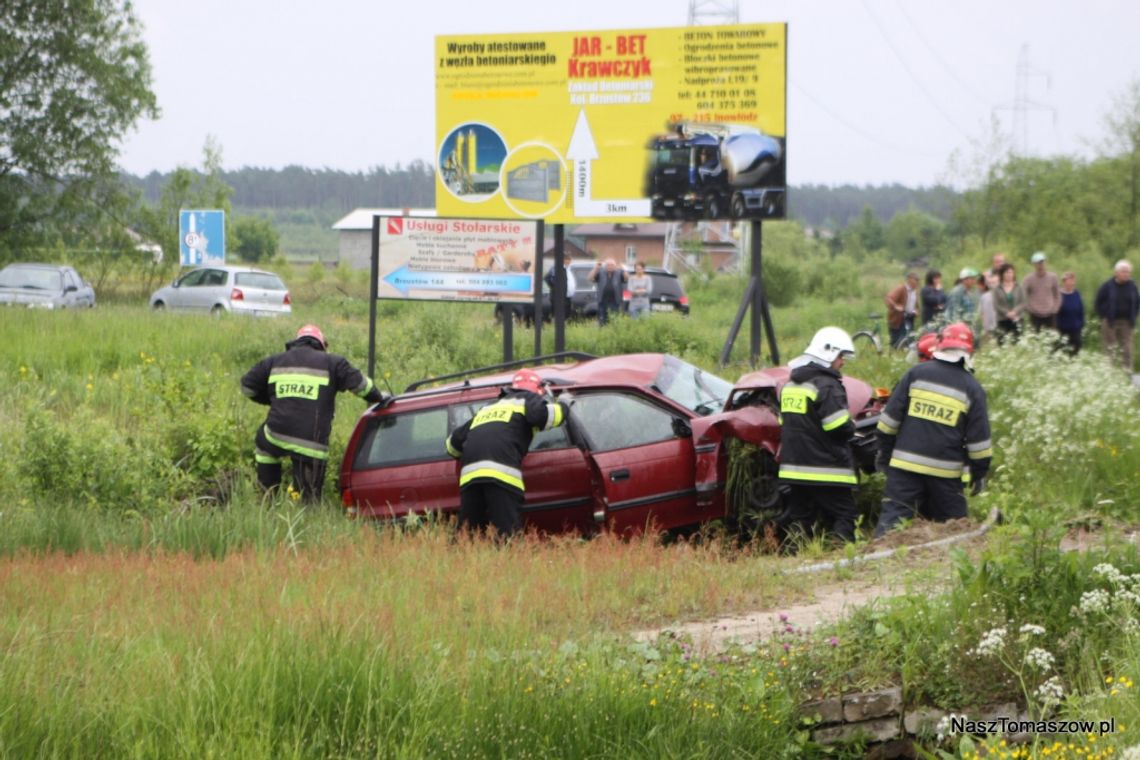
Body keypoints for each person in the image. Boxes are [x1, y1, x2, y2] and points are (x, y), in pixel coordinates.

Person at [241, 324, 386, 502]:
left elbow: (247, 387)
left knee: (264, 444)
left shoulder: (274, 361)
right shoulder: (334, 363)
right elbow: (362, 387)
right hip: (312, 444)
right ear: (322, 344)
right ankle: (308, 512)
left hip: (276, 434)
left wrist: (274, 399)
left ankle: (268, 496)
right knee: (309, 499)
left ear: (297, 341)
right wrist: (379, 397)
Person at [873, 322, 992, 538]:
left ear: (941, 345)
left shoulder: (916, 374)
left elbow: (887, 423)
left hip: (904, 470)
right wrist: (979, 474)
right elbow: (979, 445)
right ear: (968, 352)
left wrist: (885, 454)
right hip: (946, 476)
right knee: (955, 532)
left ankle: (872, 566)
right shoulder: (972, 388)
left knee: (890, 528)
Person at [445, 369, 569, 537]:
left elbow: (452, 445)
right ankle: (508, 561)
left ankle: (460, 561)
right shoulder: (527, 398)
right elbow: (543, 416)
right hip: (501, 475)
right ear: (537, 391)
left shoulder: (487, 408)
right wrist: (563, 404)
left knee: (467, 536)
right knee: (507, 536)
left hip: (470, 478)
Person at [775, 327, 860, 544]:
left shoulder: (790, 385)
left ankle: (796, 557)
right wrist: (852, 427)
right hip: (826, 469)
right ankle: (844, 558)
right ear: (829, 353)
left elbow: (784, 423)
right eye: (841, 356)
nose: (842, 362)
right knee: (844, 514)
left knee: (801, 517)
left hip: (794, 468)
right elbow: (838, 427)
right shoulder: (828, 385)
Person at [1094, 259, 1139, 371]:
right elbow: (1098, 302)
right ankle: (1109, 376)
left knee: (1127, 350)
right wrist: (1104, 315)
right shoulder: (1107, 286)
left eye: (1128, 272)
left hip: (1127, 322)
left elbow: (1137, 302)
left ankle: (1127, 375)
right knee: (1110, 349)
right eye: (1124, 271)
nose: (1126, 274)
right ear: (1116, 273)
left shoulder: (1132, 286)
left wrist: (1134, 316)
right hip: (1110, 321)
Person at [1022, 251, 1061, 332]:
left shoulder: (1053, 277)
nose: (1040, 265)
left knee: (1051, 339)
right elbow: (1022, 296)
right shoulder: (1028, 279)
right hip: (1035, 315)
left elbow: (1057, 295)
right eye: (1038, 263)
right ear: (1034, 264)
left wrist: (1055, 309)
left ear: (1046, 263)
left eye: (1042, 262)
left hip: (1050, 314)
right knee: (1035, 340)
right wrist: (1028, 309)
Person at [993, 263, 1026, 344]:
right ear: (1002, 274)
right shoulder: (997, 289)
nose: (1009, 275)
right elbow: (996, 305)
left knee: (1018, 343)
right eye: (1006, 272)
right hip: (1002, 319)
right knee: (1002, 343)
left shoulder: (1019, 287)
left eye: (1011, 272)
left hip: (1017, 319)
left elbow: (1023, 302)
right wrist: (1006, 313)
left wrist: (1015, 311)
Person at [885, 272, 920, 348]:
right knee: (896, 340)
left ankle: (902, 355)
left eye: (917, 281)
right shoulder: (901, 289)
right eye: (915, 280)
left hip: (909, 318)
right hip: (898, 318)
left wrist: (916, 311)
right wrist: (895, 306)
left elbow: (916, 305)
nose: (916, 283)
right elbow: (888, 298)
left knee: (908, 339)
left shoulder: (915, 291)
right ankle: (893, 355)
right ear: (909, 280)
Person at [590, 258, 628, 326]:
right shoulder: (601, 272)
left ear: (615, 266)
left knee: (614, 320)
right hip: (602, 301)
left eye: (612, 265)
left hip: (615, 301)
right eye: (608, 265)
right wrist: (595, 268)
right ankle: (603, 334)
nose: (610, 266)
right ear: (605, 266)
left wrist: (623, 269)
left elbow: (627, 278)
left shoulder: (619, 273)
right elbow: (590, 278)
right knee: (602, 320)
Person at [1056, 271, 1085, 355]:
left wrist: (1081, 323)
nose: (1069, 283)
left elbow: (1081, 310)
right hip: (1062, 329)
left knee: (1076, 348)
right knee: (1061, 350)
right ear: (1063, 282)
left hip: (1075, 328)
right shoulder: (1059, 294)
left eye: (1071, 281)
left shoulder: (1077, 293)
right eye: (1067, 281)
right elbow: (1056, 311)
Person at [543, 253, 577, 319]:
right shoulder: (557, 268)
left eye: (570, 259)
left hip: (567, 297)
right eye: (568, 259)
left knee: (566, 316)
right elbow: (547, 278)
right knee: (558, 317)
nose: (569, 261)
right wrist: (555, 288)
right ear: (563, 260)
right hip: (558, 298)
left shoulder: (568, 269)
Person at [977, 272, 1000, 344]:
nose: (992, 285)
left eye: (994, 282)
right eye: (990, 283)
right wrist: (985, 328)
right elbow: (981, 313)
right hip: (988, 329)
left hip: (1000, 326)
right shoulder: (984, 296)